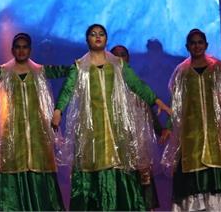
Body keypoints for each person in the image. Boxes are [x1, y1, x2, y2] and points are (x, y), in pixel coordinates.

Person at [52, 24, 172, 211]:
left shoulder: (118, 64)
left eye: (101, 34)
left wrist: (156, 101)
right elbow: (67, 89)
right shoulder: (79, 66)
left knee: (119, 166)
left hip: (117, 128)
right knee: (92, 167)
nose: (97, 37)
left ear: (106, 39)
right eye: (93, 34)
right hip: (91, 130)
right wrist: (58, 110)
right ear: (87, 39)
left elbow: (136, 84)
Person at [0, 33, 68, 211]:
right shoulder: (3, 71)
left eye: (25, 47)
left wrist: (80, 66)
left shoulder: (40, 71)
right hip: (13, 129)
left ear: (30, 50)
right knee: (13, 165)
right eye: (18, 47)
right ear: (12, 50)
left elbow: (65, 71)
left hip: (37, 130)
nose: (21, 50)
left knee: (39, 165)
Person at [160, 28, 221, 211]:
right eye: (193, 43)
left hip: (215, 132)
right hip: (191, 134)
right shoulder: (182, 72)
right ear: (187, 46)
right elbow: (175, 103)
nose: (197, 46)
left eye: (200, 42)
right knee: (191, 171)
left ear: (206, 45)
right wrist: (168, 126)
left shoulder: (217, 68)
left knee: (216, 170)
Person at [110, 44, 166, 210]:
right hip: (116, 144)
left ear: (128, 59)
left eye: (123, 54)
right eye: (116, 55)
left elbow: (148, 109)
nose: (120, 58)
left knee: (142, 180)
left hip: (138, 143)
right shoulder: (106, 86)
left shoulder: (137, 85)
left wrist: (160, 129)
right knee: (121, 181)